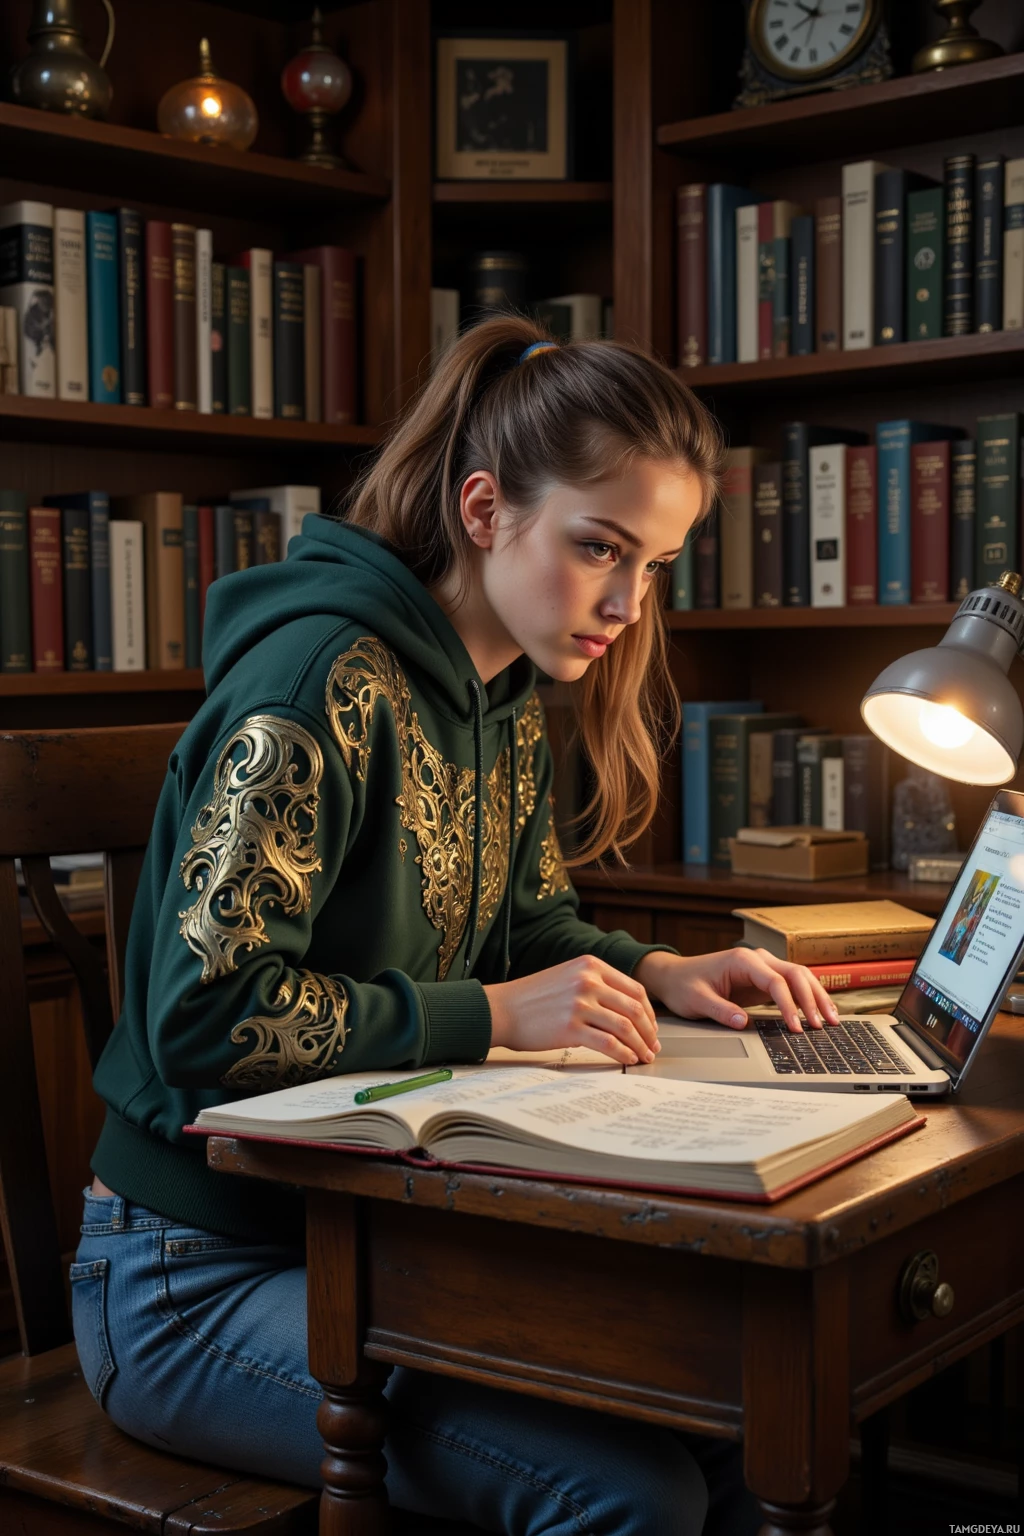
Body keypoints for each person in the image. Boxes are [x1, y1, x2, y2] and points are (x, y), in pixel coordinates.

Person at [72, 316, 840, 1536]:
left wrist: (657, 968)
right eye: (599, 548)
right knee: (630, 1493)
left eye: (654, 565)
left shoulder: (502, 689)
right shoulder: (315, 683)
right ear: (485, 511)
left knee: (741, 1427)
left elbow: (523, 917)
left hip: (372, 1245)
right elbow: (200, 1017)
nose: (628, 603)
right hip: (192, 1278)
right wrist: (483, 1017)